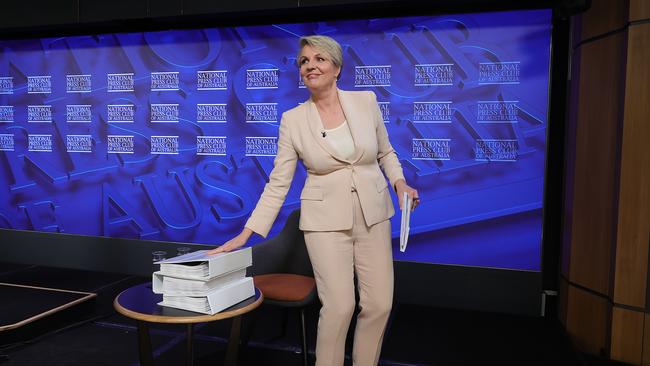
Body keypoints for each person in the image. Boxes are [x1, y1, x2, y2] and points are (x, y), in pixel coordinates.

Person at [207, 35, 419, 366]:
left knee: (379, 305)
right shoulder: (293, 120)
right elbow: (278, 183)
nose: (311, 66)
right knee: (339, 306)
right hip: (324, 223)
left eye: (319, 59)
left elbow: (385, 151)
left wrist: (400, 182)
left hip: (374, 214)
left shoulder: (365, 101)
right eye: (304, 61)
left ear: (337, 68)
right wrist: (246, 234)